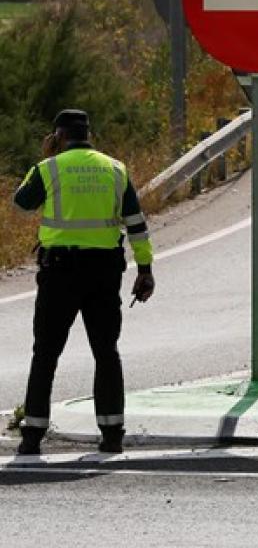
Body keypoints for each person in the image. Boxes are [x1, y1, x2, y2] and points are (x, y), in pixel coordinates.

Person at [12, 109, 155, 455]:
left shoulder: (49, 168)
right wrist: (145, 268)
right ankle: (111, 435)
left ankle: (32, 437)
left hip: (59, 273)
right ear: (89, 134)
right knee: (106, 352)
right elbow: (136, 223)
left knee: (45, 353)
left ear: (58, 136)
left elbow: (21, 204)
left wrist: (45, 158)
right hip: (103, 274)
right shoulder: (115, 169)